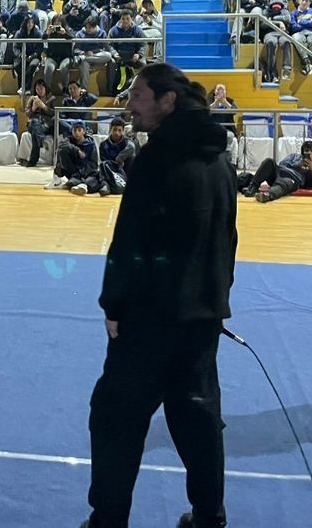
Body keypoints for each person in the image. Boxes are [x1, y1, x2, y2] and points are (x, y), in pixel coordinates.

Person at [83, 64, 234, 528]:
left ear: (168, 101)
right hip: (203, 315)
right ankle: (210, 517)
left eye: (138, 96)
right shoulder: (220, 160)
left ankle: (109, 520)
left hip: (152, 317)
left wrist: (114, 303)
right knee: (198, 420)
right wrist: (214, 299)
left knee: (114, 420)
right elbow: (226, 239)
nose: (130, 105)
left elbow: (130, 241)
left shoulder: (157, 158)